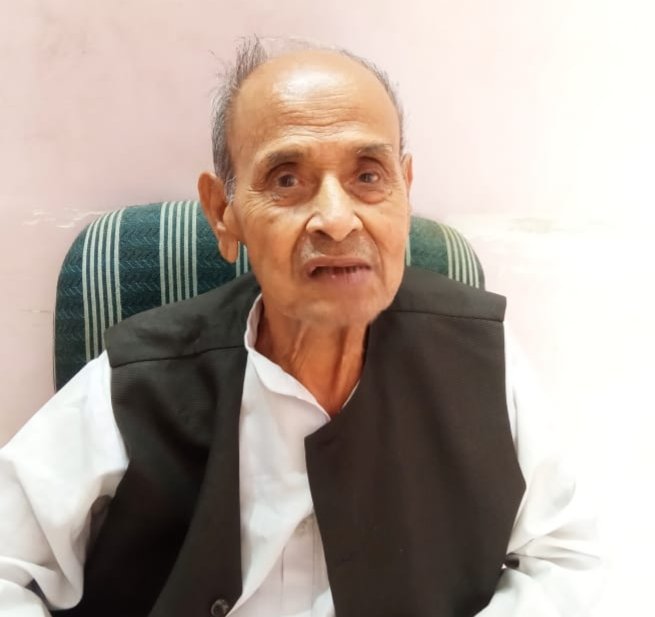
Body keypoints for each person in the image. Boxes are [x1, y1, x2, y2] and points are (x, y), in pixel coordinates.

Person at [0, 38, 601, 617]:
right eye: (287, 179)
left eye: (369, 176)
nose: (337, 220)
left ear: (405, 190)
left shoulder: (481, 355)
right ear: (223, 213)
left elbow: (563, 557)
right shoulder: (138, 378)